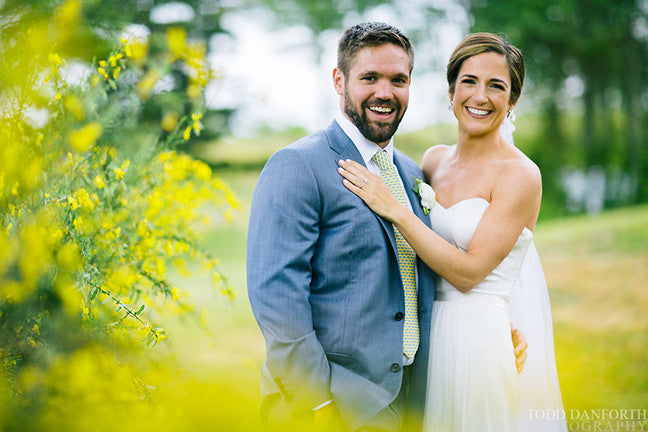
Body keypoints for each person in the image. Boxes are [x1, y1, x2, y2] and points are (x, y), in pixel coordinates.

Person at [247, 23, 527, 432]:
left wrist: (486, 322)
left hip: (413, 401)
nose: (385, 92)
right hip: (332, 406)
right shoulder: (298, 165)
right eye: (369, 78)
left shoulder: (413, 173)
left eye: (398, 79)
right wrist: (319, 405)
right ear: (339, 80)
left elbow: (429, 263)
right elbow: (276, 298)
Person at [337, 32, 566, 431]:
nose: (480, 96)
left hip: (480, 343)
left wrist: (396, 210)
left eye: (497, 86)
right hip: (424, 339)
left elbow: (468, 273)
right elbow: (417, 259)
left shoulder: (520, 175)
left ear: (512, 101)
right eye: (469, 81)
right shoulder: (433, 161)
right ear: (450, 90)